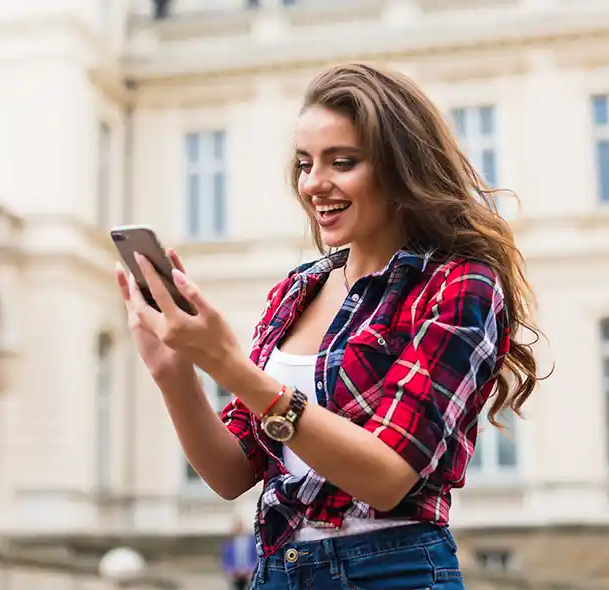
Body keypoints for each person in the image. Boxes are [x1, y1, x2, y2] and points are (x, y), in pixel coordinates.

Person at [114, 63, 542, 590]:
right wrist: (174, 371)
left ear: (399, 168)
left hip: (392, 571)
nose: (313, 184)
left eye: (342, 162)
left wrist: (228, 365)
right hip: (279, 571)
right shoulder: (299, 291)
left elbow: (386, 476)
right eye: (304, 163)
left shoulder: (458, 285)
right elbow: (232, 474)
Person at [221, 517, 259, 590]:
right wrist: (230, 571)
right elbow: (224, 560)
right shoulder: (229, 543)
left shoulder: (253, 542)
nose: (239, 528)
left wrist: (251, 570)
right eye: (237, 525)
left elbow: (257, 557)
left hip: (249, 574)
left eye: (241, 525)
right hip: (234, 576)